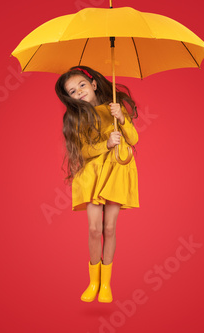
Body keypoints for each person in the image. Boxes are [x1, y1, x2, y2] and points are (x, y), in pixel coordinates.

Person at [55, 66, 140, 303]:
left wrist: (122, 118)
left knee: (110, 228)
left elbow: (133, 139)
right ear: (69, 98)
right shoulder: (75, 118)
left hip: (115, 170)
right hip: (91, 174)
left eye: (82, 85)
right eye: (72, 91)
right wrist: (107, 144)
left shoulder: (115, 108)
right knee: (94, 229)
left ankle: (105, 284)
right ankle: (93, 281)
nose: (79, 91)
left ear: (93, 85)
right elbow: (82, 151)